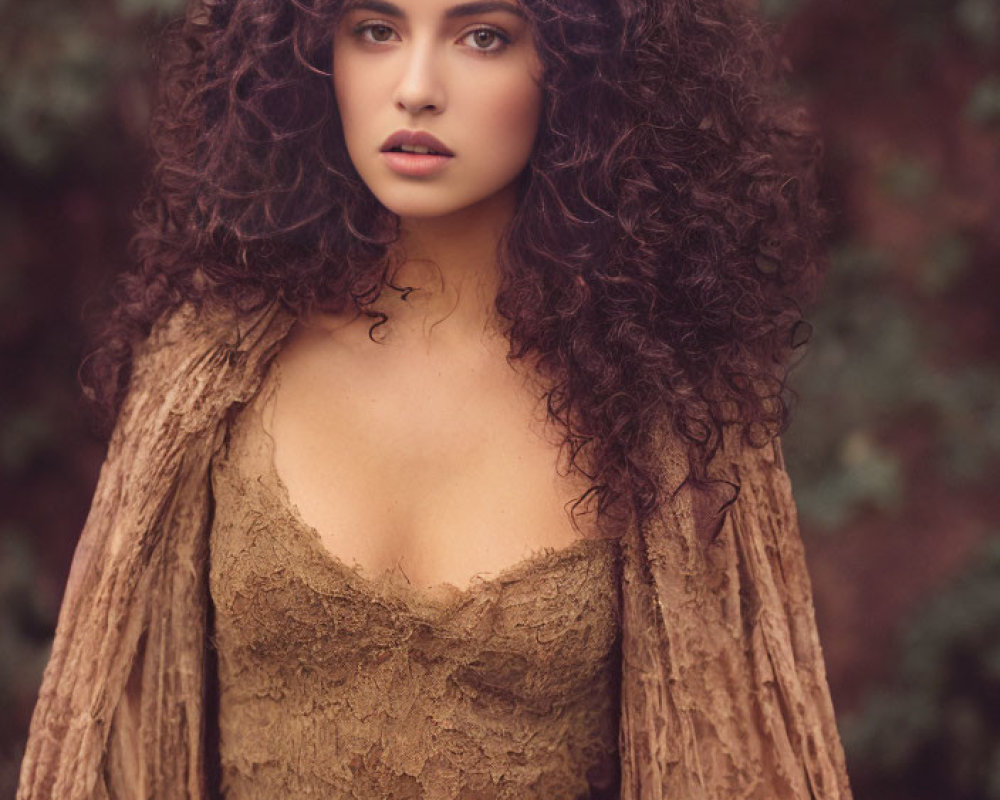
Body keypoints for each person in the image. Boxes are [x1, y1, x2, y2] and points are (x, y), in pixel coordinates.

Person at [17, 0, 854, 797]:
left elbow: (742, 760)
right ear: (308, 55)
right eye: (376, 29)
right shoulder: (207, 370)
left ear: (582, 70)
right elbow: (106, 740)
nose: (416, 86)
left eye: (483, 36)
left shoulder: (670, 406)